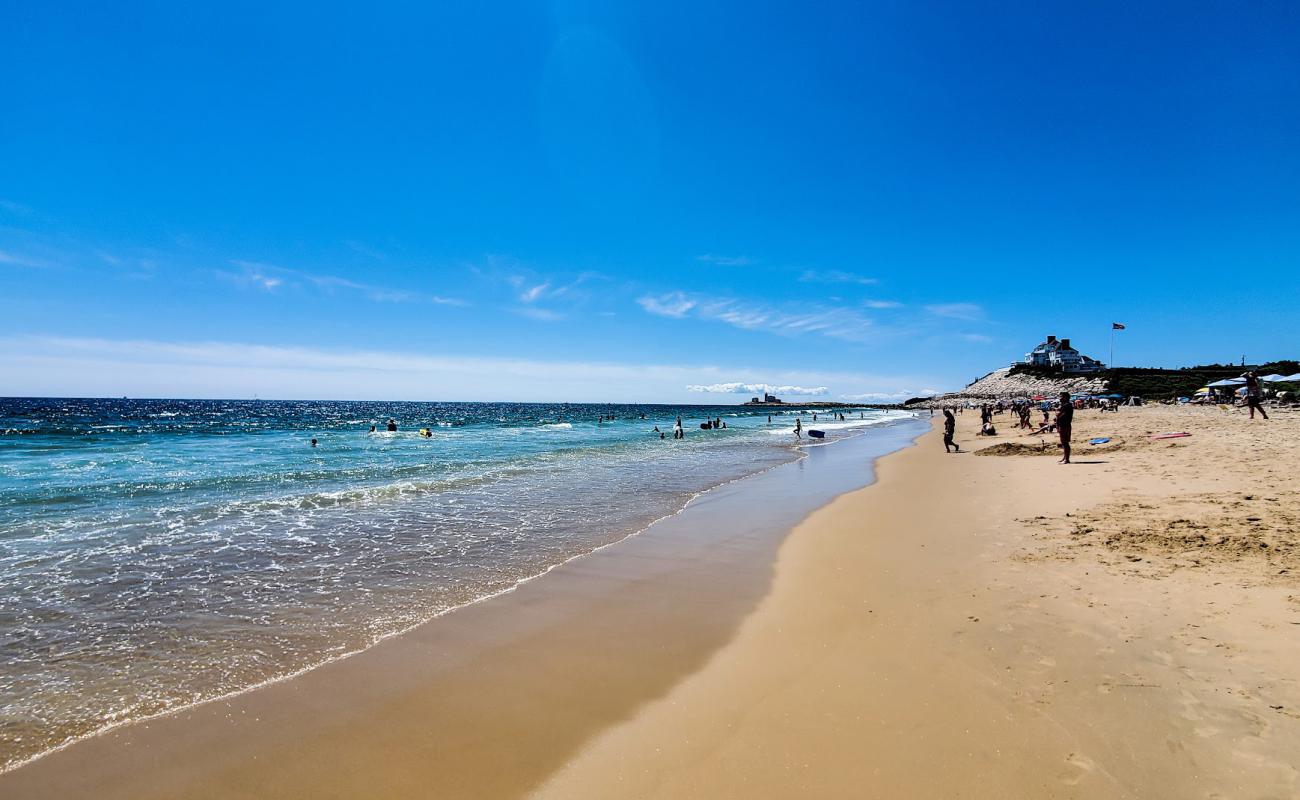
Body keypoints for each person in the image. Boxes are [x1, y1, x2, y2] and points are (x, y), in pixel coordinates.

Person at [1055, 391, 1073, 464]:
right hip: (1063, 425)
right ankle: (1065, 457)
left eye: (1061, 396)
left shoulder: (1067, 405)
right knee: (1063, 442)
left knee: (1065, 442)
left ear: (1065, 397)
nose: (1060, 398)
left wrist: (1057, 414)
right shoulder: (1065, 405)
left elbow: (1062, 415)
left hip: (1065, 425)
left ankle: (1067, 459)